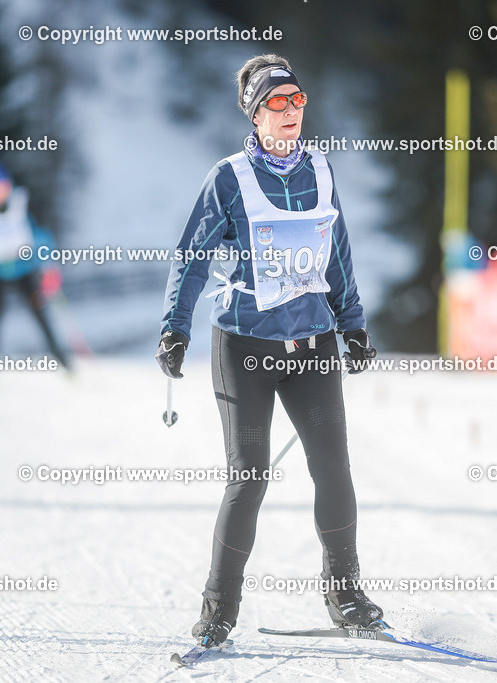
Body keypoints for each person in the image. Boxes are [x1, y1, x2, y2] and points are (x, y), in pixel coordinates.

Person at [155, 54, 381, 648]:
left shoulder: (323, 170)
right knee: (248, 478)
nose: (290, 112)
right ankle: (217, 611)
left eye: (298, 100)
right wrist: (175, 325)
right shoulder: (228, 178)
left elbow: (337, 255)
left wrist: (352, 325)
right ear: (255, 115)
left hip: (312, 347)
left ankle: (345, 593)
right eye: (277, 104)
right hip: (244, 348)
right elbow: (193, 255)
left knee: (333, 469)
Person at [0, 162, 69, 375]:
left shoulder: (22, 203)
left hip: (23, 269)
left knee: (41, 316)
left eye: (2, 186)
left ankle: (64, 362)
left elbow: (41, 235)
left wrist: (49, 267)